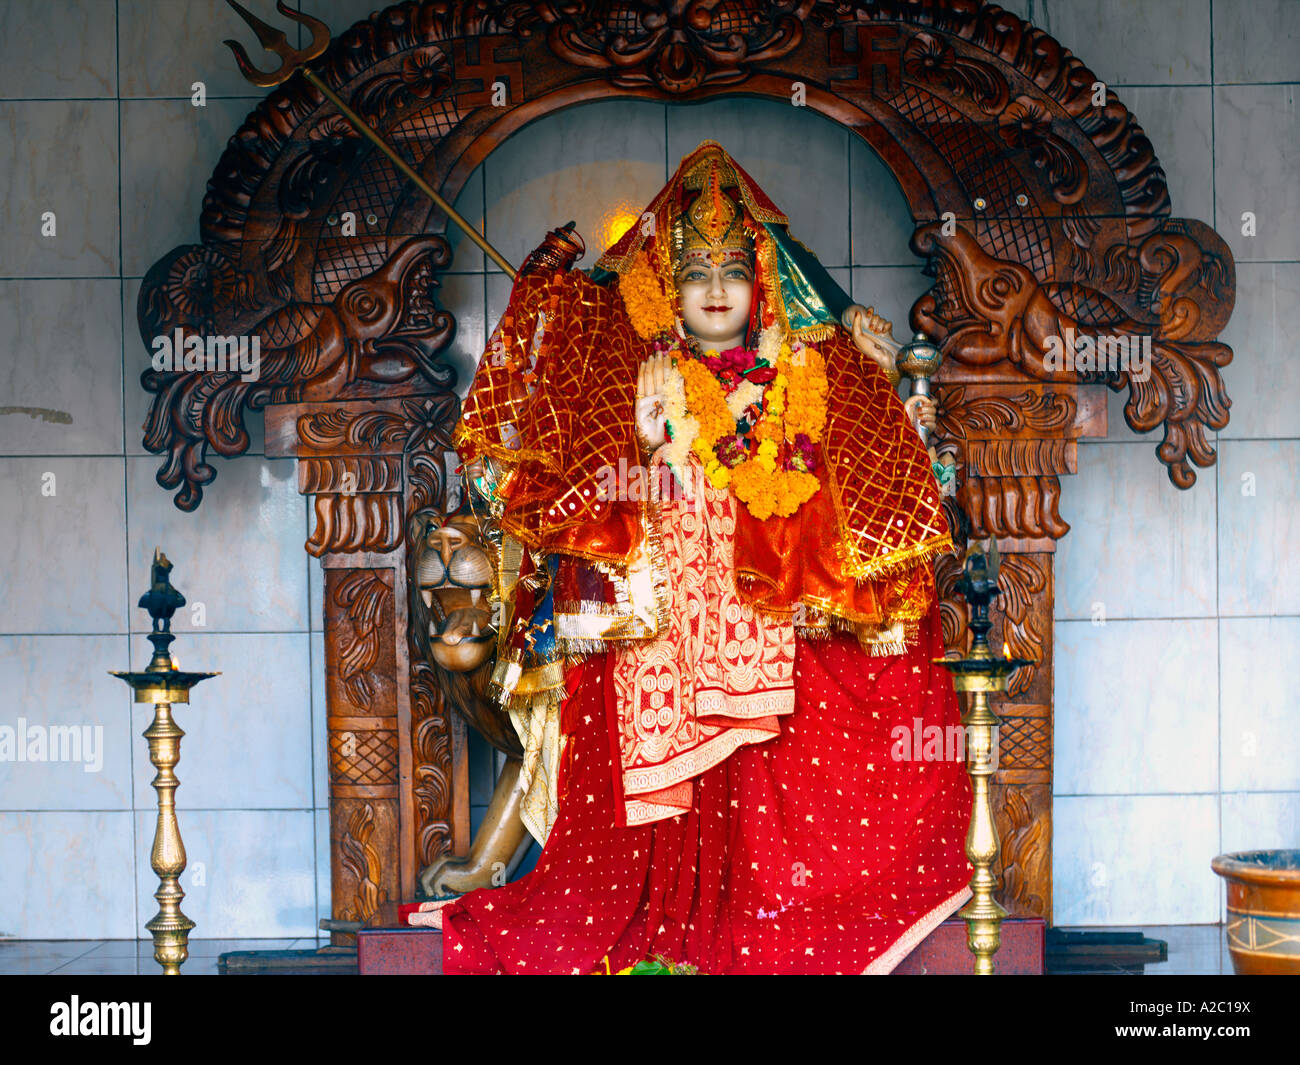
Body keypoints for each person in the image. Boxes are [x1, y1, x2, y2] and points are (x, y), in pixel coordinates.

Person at [431, 141, 972, 974]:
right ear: (668, 289)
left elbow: (852, 494)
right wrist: (645, 444)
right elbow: (591, 514)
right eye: (696, 273)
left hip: (772, 621)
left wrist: (873, 370)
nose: (717, 290)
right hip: (666, 641)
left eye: (731, 270)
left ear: (760, 281)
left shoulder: (801, 369)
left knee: (873, 682)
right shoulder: (637, 372)